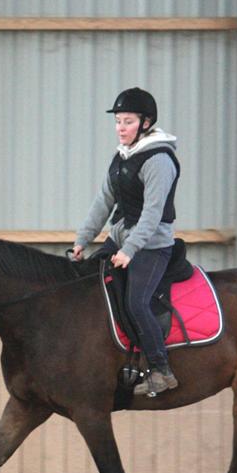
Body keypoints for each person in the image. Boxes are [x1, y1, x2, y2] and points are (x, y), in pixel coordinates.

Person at [70, 87, 180, 396]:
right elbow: (103, 202)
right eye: (118, 121)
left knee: (136, 301)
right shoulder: (121, 158)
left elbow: (153, 213)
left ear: (145, 123)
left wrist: (130, 250)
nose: (120, 128)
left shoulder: (159, 160)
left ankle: (161, 369)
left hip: (152, 245)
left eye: (127, 121)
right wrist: (83, 240)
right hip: (120, 237)